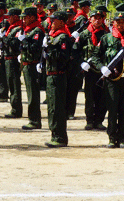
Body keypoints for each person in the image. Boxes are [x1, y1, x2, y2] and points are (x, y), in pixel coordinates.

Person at [91, 11, 124, 148]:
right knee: (112, 109)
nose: (121, 24)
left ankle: (123, 138)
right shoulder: (107, 38)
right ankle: (112, 138)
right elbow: (95, 56)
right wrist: (102, 68)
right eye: (118, 22)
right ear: (114, 23)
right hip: (111, 79)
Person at [39, 11, 72, 148]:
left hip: (58, 75)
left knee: (57, 107)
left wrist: (50, 50)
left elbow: (64, 57)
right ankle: (54, 134)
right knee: (52, 107)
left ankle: (60, 137)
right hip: (50, 74)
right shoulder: (52, 36)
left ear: (62, 22)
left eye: (54, 20)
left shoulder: (63, 37)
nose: (51, 23)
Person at [75, 9, 108, 130]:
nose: (98, 20)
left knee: (102, 96)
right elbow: (76, 51)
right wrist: (81, 63)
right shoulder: (84, 34)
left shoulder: (105, 34)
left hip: (101, 70)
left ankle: (99, 120)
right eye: (95, 18)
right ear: (91, 19)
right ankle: (89, 120)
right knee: (89, 96)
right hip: (89, 70)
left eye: (100, 18)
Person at [19, 7, 45, 130]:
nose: (24, 20)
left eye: (26, 17)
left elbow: (34, 48)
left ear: (33, 17)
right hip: (27, 64)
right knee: (30, 93)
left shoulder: (37, 31)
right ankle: (33, 119)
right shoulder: (29, 30)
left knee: (33, 94)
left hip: (33, 65)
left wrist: (24, 41)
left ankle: (34, 120)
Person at [0, 8, 23, 118]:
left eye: (10, 16)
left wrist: (4, 38)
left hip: (13, 59)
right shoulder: (11, 28)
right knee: (11, 84)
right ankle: (14, 108)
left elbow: (14, 44)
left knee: (14, 85)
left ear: (15, 16)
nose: (8, 18)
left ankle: (16, 109)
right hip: (8, 58)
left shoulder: (18, 28)